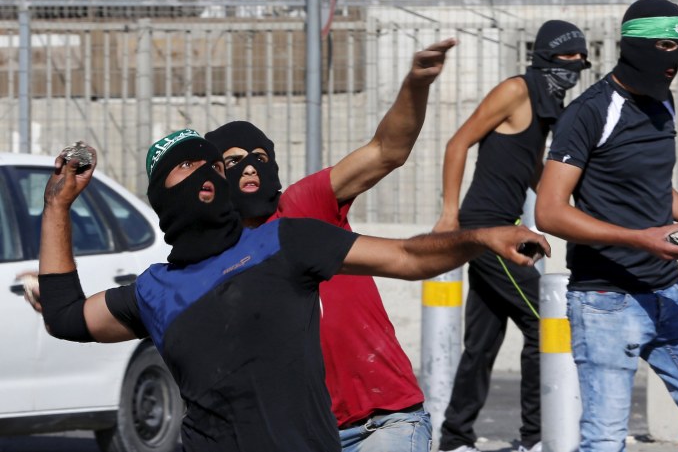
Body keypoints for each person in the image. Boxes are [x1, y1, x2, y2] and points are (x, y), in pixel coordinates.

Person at [37, 133, 551, 452]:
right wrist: (59, 206)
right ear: (161, 194)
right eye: (186, 168)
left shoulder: (285, 241)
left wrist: (480, 237)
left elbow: (408, 257)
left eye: (212, 166)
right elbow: (64, 315)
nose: (205, 176)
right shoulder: (154, 290)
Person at [204, 38, 453, 452]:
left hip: (382, 425)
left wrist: (415, 84)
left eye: (259, 158)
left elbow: (386, 151)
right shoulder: (217, 260)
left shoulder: (304, 204)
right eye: (233, 162)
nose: (249, 167)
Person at [535, 0, 678, 452]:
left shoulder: (662, 102)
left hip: (667, 293)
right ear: (634, 45)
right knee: (605, 442)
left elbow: (651, 184)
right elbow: (549, 211)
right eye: (664, 45)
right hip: (604, 300)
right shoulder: (589, 112)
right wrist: (641, 238)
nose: (673, 59)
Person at [433, 20, 591, 452]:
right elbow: (457, 143)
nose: (577, 63)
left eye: (582, 56)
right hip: (486, 229)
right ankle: (536, 436)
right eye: (568, 55)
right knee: (543, 323)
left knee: (481, 343)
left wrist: (570, 213)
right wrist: (449, 215)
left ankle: (454, 438)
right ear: (544, 55)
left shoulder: (546, 104)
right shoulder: (516, 90)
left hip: (504, 229)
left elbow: (534, 168)